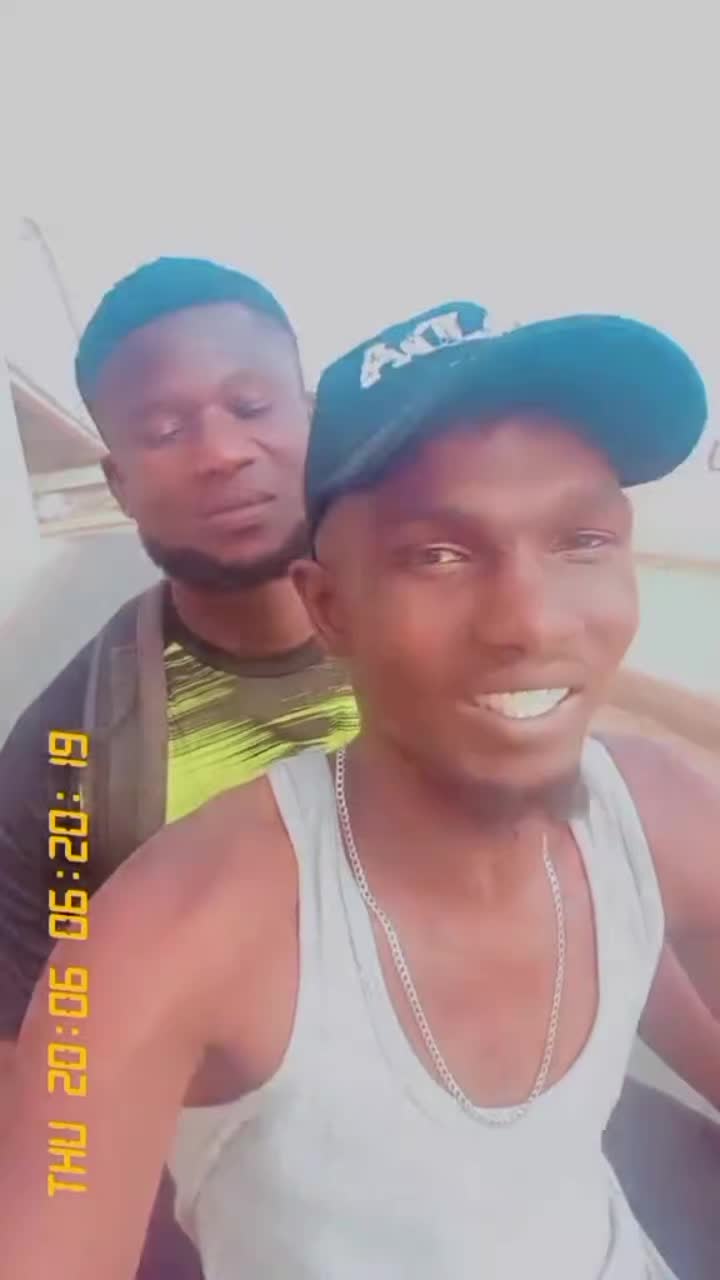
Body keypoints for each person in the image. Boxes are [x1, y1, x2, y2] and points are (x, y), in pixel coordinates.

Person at [2, 300, 719, 1279]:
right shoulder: (91, 792)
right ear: (330, 606)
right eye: (438, 555)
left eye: (582, 540)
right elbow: (57, 1078)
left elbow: (623, 917)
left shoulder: (653, 807)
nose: (532, 621)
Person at [0, 257, 358, 1278]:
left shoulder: (446, 636)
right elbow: (43, 1050)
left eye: (251, 406)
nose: (221, 453)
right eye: (164, 430)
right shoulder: (68, 756)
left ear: (311, 415)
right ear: (119, 480)